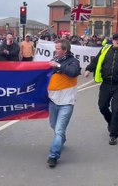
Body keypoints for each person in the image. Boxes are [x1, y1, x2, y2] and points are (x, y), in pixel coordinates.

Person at [46, 39, 81, 168]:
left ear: (65, 50)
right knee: (54, 127)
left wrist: (58, 66)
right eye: (55, 48)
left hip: (66, 102)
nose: (56, 50)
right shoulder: (53, 60)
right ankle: (61, 139)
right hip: (53, 101)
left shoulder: (73, 62)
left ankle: (53, 155)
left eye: (58, 48)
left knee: (59, 130)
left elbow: (73, 72)